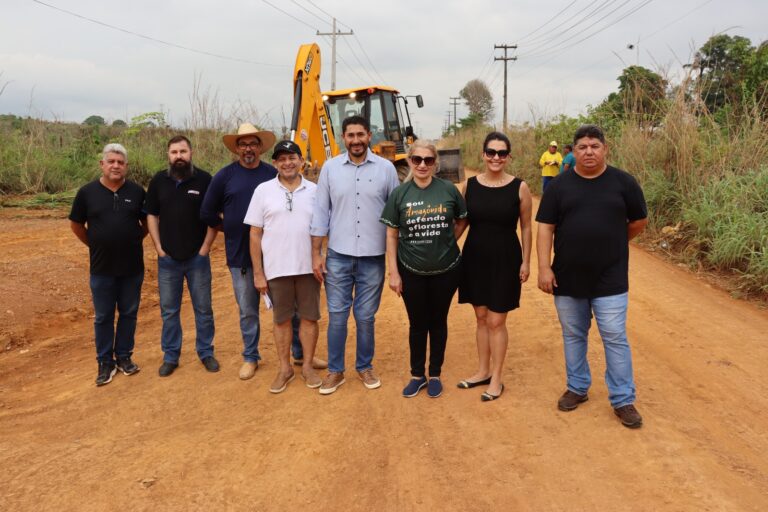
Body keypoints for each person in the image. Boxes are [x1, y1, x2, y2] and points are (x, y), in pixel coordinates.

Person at [536, 124, 648, 429]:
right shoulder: (559, 186)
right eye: (583, 146)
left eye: (594, 146)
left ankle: (623, 399)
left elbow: (639, 221)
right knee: (573, 334)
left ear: (605, 149)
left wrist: (613, 240)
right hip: (567, 277)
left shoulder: (623, 183)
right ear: (574, 150)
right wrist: (544, 267)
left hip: (610, 278)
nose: (589, 151)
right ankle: (577, 387)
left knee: (614, 335)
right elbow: (545, 227)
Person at [310, 115, 400, 395]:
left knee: (365, 316)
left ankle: (364, 366)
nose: (356, 140)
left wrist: (395, 261)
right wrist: (316, 252)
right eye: (351, 135)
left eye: (361, 134)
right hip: (338, 254)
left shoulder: (386, 169)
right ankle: (336, 371)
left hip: (373, 256)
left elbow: (395, 214)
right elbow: (320, 212)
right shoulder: (330, 169)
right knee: (337, 316)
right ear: (343, 138)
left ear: (369, 136)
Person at [380, 140, 467, 398]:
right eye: (416, 159)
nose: (422, 165)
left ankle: (436, 374)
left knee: (438, 322)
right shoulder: (400, 194)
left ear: (435, 163)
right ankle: (417, 375)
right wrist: (393, 272)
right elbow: (392, 234)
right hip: (411, 271)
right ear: (409, 161)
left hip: (446, 270)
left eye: (428, 160)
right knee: (418, 323)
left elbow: (462, 220)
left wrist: (448, 241)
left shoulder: (449, 190)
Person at [457, 132, 532, 402]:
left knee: (496, 320)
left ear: (508, 157)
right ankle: (482, 371)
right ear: (483, 154)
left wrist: (526, 261)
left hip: (506, 259)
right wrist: (439, 248)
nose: (496, 158)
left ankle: (497, 378)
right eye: (491, 152)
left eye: (502, 153)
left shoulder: (520, 188)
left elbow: (525, 226)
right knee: (480, 317)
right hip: (475, 257)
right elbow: (462, 223)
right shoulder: (470, 185)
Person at [199, 123, 278, 380]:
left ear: (260, 148)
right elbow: (207, 212)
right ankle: (251, 356)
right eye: (243, 144)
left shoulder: (271, 174)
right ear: (237, 149)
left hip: (275, 254)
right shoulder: (224, 176)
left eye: (253, 144)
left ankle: (297, 352)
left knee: (288, 307)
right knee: (247, 310)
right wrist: (230, 228)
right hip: (240, 256)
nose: (248, 149)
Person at [243, 140, 323, 393]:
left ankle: (308, 366)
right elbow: (255, 234)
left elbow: (323, 230)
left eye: (292, 158)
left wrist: (321, 257)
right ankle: (284, 368)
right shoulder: (263, 191)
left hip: (308, 268)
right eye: (282, 159)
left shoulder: (315, 191)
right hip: (276, 269)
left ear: (301, 161)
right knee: (281, 321)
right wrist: (258, 272)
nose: (288, 163)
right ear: (275, 163)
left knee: (310, 318)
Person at [69, 143, 147, 386]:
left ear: (126, 167)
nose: (115, 165)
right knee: (103, 316)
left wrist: (131, 239)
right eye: (111, 161)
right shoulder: (87, 193)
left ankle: (124, 356)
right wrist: (95, 243)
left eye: (120, 162)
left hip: (132, 267)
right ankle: (105, 361)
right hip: (101, 268)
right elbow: (76, 225)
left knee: (129, 313)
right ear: (102, 164)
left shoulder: (137, 192)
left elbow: (146, 224)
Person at [145, 135, 218, 377]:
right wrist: (158, 247)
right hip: (168, 260)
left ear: (191, 153)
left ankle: (206, 352)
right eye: (174, 152)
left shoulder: (205, 179)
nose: (179, 156)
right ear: (168, 155)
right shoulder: (159, 181)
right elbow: (151, 215)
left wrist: (206, 247)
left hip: (197, 258)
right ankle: (171, 355)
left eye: (183, 151)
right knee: (169, 311)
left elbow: (214, 215)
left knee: (203, 309)